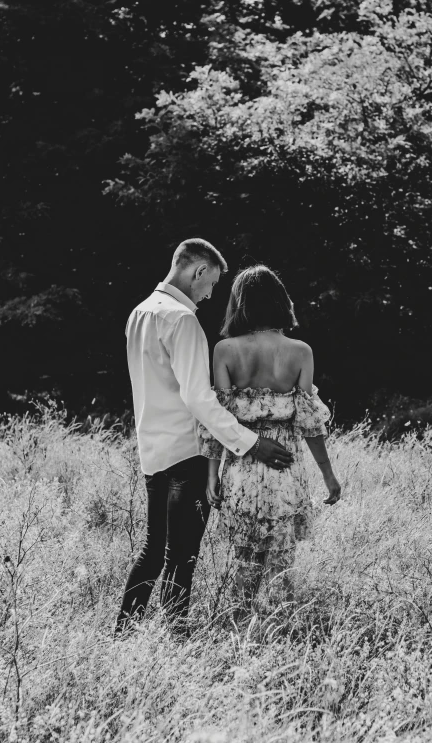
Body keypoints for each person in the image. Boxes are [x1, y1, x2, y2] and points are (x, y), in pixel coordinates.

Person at [115, 240, 293, 636]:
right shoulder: (182, 320)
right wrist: (250, 442)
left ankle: (122, 636)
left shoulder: (138, 314)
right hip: (187, 452)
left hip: (152, 450)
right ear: (197, 271)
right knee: (182, 555)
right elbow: (199, 399)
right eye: (210, 284)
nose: (210, 294)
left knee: (152, 552)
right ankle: (175, 639)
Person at [199, 264, 341, 618]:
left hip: (242, 468)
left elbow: (219, 417)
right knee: (282, 564)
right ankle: (280, 630)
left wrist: (211, 475)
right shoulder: (300, 351)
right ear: (281, 302)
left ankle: (239, 629)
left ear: (239, 304)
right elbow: (310, 424)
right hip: (285, 470)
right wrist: (328, 475)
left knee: (245, 565)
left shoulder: (225, 350)